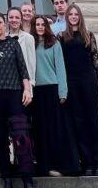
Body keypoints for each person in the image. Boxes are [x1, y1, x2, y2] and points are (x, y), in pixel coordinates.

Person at [0, 13, 36, 188]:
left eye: (0, 23)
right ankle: (6, 179)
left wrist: (27, 89)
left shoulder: (13, 43)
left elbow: (23, 69)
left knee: (21, 137)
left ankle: (27, 178)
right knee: (0, 139)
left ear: (4, 25)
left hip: (15, 95)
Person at [60, 3, 98, 175]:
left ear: (80, 17)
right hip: (72, 82)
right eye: (70, 14)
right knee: (79, 123)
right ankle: (87, 163)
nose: (73, 16)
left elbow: (95, 59)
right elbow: (61, 63)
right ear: (67, 17)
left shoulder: (89, 35)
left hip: (89, 81)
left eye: (76, 14)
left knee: (93, 122)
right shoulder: (62, 37)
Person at [31, 16, 79, 176]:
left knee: (56, 130)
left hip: (52, 90)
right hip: (36, 91)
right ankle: (45, 166)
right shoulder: (30, 44)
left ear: (46, 26)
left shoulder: (54, 43)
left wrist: (63, 92)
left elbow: (60, 68)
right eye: (36, 24)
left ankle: (61, 165)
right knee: (41, 131)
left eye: (42, 24)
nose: (39, 27)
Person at [7, 7, 37, 86]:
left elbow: (31, 62)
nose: (14, 20)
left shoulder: (28, 37)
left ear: (21, 20)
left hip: (24, 83)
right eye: (11, 17)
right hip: (8, 82)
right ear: (7, 20)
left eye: (17, 18)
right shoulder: (3, 37)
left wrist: (31, 82)